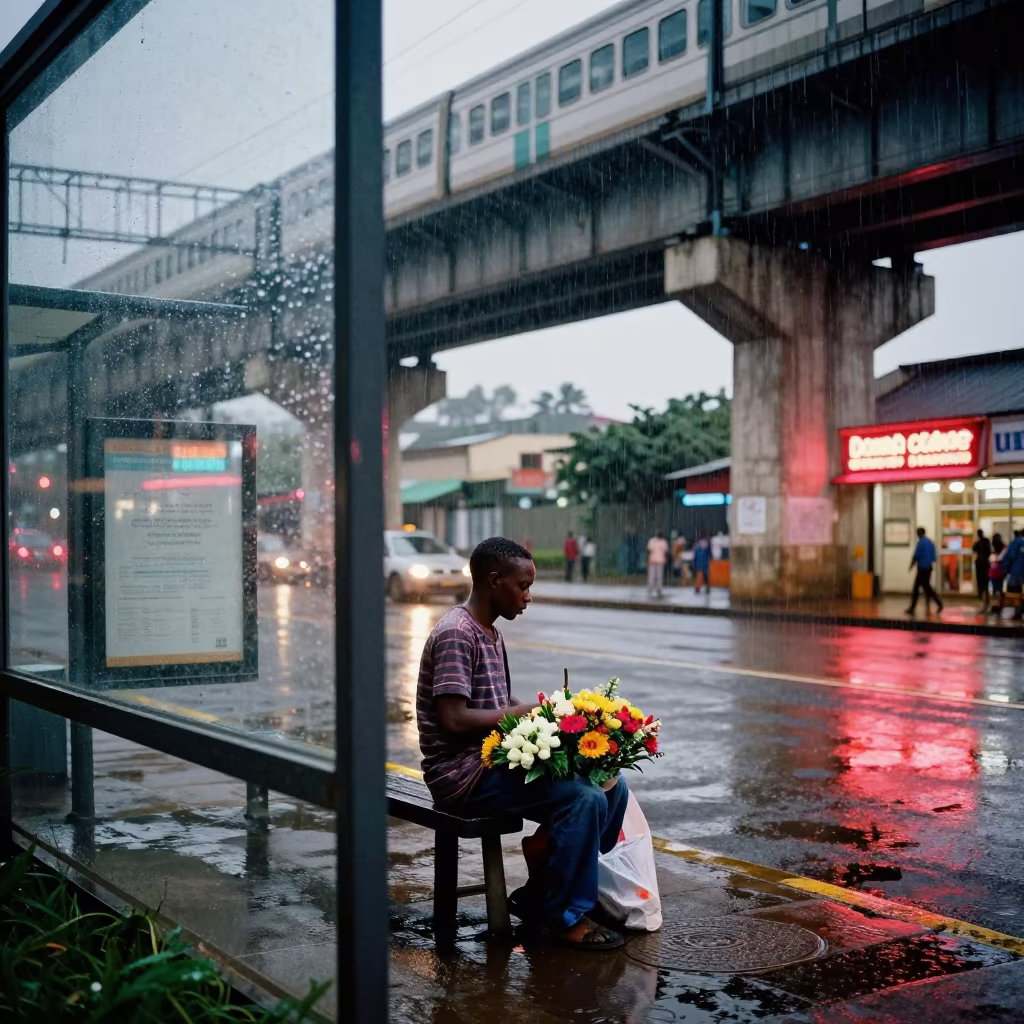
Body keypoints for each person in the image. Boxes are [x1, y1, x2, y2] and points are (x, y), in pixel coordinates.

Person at [416, 537, 628, 950]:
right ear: (494, 581)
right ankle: (562, 917)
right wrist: (525, 712)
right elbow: (455, 719)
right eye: (522, 585)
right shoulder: (457, 633)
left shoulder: (490, 632)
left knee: (610, 783)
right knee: (583, 799)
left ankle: (545, 885)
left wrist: (558, 717)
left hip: (491, 759)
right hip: (462, 775)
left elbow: (497, 704)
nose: (528, 597)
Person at [906, 526, 943, 615]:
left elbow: (916, 555)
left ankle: (938, 604)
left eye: (917, 533)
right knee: (926, 587)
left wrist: (911, 565)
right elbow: (934, 557)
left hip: (922, 569)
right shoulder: (930, 542)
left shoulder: (921, 542)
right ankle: (936, 604)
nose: (917, 534)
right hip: (928, 568)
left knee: (920, 588)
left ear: (920, 533)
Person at [1000, 529, 1024, 620]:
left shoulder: (1016, 542)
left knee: (1015, 593)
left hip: (1017, 572)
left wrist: (1004, 569)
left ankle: (1018, 612)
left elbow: (1009, 556)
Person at [973, 528, 992, 610]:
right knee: (985, 580)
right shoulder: (986, 541)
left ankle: (981, 594)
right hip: (985, 563)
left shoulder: (978, 543)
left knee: (980, 580)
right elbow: (989, 551)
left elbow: (974, 549)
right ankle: (985, 594)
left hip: (980, 563)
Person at [646, 530, 669, 597]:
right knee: (655, 575)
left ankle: (655, 588)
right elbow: (666, 552)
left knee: (656, 575)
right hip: (656, 560)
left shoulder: (654, 541)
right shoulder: (661, 541)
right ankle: (653, 587)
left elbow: (649, 550)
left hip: (657, 560)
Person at [989, 533, 1006, 615]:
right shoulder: (1003, 548)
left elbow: (991, 560)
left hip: (993, 572)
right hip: (1000, 571)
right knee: (1000, 589)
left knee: (994, 591)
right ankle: (1000, 605)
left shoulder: (993, 548)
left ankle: (994, 606)